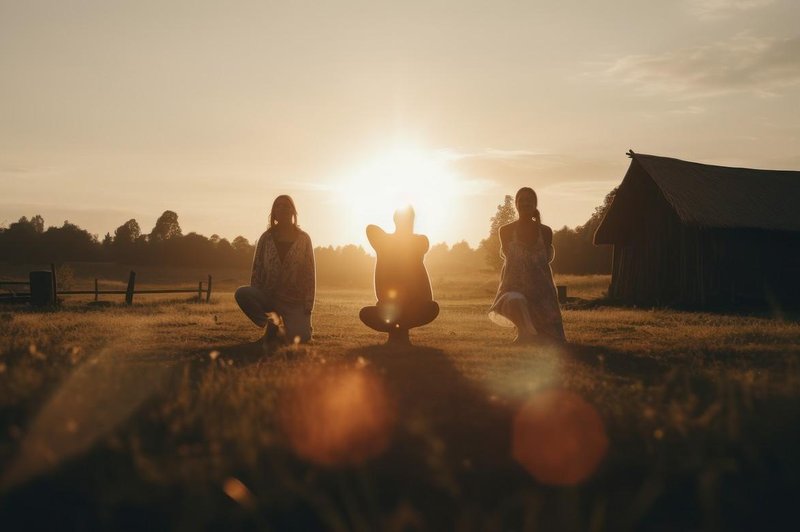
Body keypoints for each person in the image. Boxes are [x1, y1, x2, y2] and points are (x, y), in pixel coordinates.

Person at [489, 187, 566, 344]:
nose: (525, 203)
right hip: (514, 289)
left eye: (529, 200)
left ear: (535, 204)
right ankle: (524, 334)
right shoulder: (505, 231)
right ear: (516, 204)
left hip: (543, 293)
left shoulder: (545, 232)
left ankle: (535, 334)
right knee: (515, 300)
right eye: (521, 200)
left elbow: (547, 260)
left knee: (552, 341)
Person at [235, 195, 316, 345]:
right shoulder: (266, 238)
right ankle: (272, 325)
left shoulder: (304, 239)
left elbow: (309, 273)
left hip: (294, 300)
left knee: (301, 339)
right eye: (278, 206)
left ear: (293, 211)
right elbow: (257, 268)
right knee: (242, 293)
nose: (283, 209)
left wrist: (308, 305)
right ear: (274, 213)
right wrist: (258, 296)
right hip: (269, 297)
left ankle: (294, 326)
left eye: (286, 206)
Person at [360, 205, 439, 344]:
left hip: (415, 304)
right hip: (393, 305)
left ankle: (398, 325)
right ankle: (399, 326)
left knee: (431, 308)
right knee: (366, 313)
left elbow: (422, 244)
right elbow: (370, 229)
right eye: (407, 220)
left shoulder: (418, 242)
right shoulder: (385, 241)